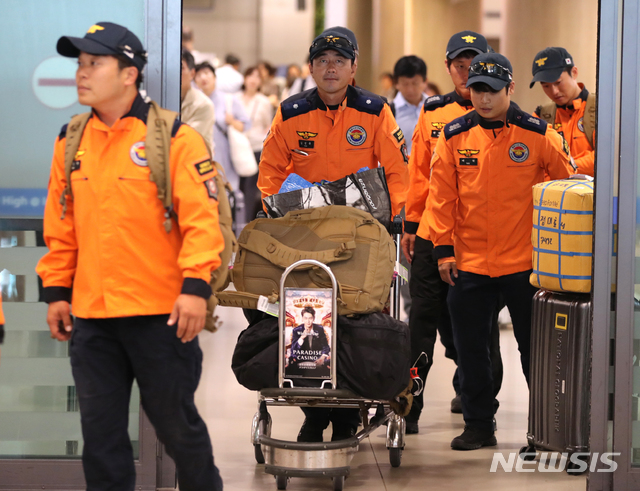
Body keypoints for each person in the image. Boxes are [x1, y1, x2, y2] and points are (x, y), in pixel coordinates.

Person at [35, 22, 224, 490]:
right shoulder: (70, 141)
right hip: (93, 320)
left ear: (128, 74)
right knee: (101, 442)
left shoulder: (174, 139)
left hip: (161, 316)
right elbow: (61, 229)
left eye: (93, 64)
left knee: (178, 431)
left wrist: (196, 289)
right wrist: (57, 291)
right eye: (79, 64)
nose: (81, 74)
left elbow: (202, 223)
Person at [258, 26, 409, 442]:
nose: (330, 68)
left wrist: (393, 224)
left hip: (362, 239)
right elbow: (270, 171)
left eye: (339, 61)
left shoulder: (375, 112)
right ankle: (316, 410)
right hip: (303, 239)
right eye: (322, 60)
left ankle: (343, 414)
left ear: (353, 67)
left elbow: (397, 171)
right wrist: (276, 212)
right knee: (303, 316)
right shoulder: (290, 113)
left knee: (354, 316)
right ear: (311, 67)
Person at [427, 51, 575, 450]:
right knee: (472, 353)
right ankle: (478, 425)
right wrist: (443, 251)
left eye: (492, 90)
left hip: (524, 265)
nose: (484, 99)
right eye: (477, 90)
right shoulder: (454, 135)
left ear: (510, 88)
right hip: (470, 263)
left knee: (536, 354)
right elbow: (440, 197)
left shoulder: (537, 134)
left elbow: (570, 189)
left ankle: (545, 430)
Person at [400, 31, 503, 434]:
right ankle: (411, 405)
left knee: (479, 325)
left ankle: (480, 401)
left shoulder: (502, 115)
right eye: (459, 64)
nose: (466, 71)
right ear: (448, 68)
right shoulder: (432, 112)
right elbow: (418, 175)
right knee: (423, 320)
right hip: (430, 234)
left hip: (476, 241)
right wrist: (410, 225)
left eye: (474, 63)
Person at [530, 47, 595, 177]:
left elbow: (606, 158)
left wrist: (565, 167)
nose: (553, 92)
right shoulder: (541, 115)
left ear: (574, 72)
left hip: (592, 195)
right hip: (553, 195)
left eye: (558, 83)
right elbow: (533, 163)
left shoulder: (599, 109)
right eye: (546, 86)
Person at [195, 62, 251, 193]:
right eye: (198, 75)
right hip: (201, 159)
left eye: (207, 73)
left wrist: (232, 121)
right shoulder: (193, 102)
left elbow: (246, 125)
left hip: (225, 161)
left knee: (226, 201)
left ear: (214, 77)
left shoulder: (228, 100)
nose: (203, 78)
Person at [239, 66, 273, 222]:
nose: (253, 80)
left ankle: (246, 223)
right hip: (237, 148)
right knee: (236, 187)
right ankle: (236, 220)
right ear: (244, 78)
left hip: (256, 148)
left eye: (257, 77)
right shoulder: (235, 98)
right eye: (250, 76)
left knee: (251, 189)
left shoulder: (264, 101)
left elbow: (268, 125)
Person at [181, 48, 215, 152]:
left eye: (181, 68)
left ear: (192, 74)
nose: (175, 73)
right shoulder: (160, 100)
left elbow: (185, 140)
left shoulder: (203, 104)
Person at [287, 307, 331, 377]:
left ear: (313, 318)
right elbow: (293, 349)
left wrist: (322, 358)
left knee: (329, 362)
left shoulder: (319, 329)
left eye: (310, 318)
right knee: (291, 362)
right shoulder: (296, 330)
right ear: (302, 319)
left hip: (317, 357)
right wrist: (301, 337)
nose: (308, 321)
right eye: (305, 318)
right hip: (301, 358)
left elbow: (325, 346)